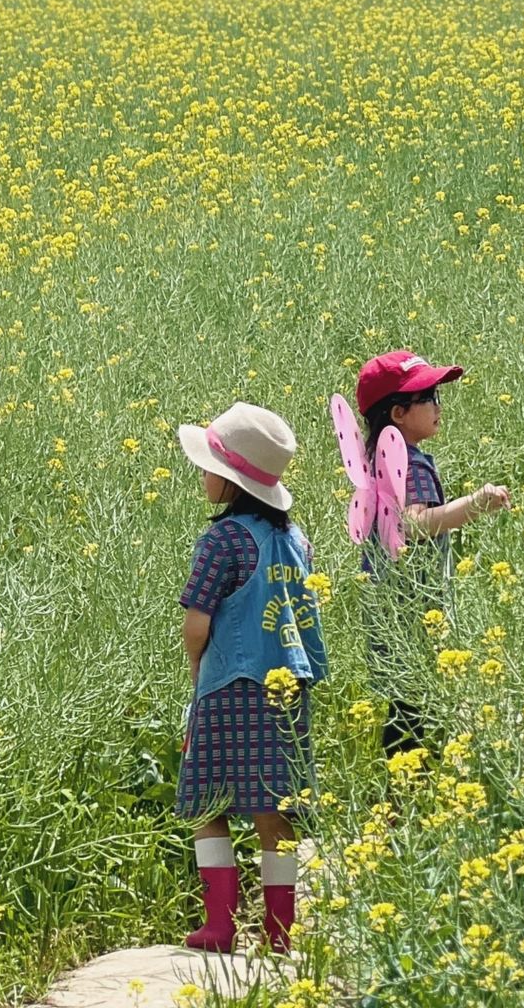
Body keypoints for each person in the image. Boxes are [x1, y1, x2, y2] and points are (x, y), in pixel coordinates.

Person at [175, 402, 327, 954]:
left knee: (207, 804)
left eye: (209, 466)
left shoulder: (222, 541)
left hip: (228, 685)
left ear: (232, 480)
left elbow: (198, 622)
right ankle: (279, 931)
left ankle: (219, 926)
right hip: (287, 685)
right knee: (274, 812)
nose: (203, 475)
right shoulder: (296, 539)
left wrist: (195, 669)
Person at [355, 351, 510, 753]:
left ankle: (403, 796)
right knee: (414, 708)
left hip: (385, 603)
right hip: (415, 607)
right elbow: (415, 523)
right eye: (429, 397)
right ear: (399, 413)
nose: (439, 406)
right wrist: (475, 503)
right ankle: (407, 798)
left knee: (402, 705)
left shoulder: (376, 461)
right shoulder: (412, 464)